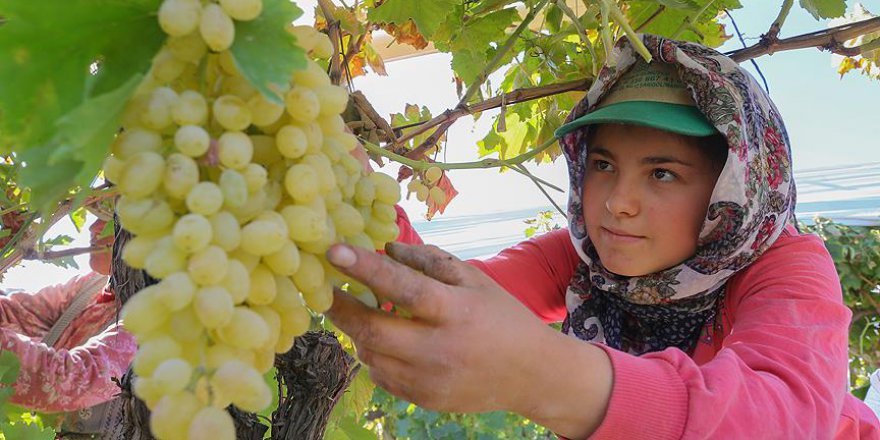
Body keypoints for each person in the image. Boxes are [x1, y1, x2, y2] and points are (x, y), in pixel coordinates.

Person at [323, 35, 880, 439]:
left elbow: (783, 417)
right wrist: (346, 194)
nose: (616, 202)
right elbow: (433, 299)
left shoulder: (787, 265)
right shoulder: (580, 256)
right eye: (604, 164)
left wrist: (540, 373)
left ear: (731, 190)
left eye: (663, 173)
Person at [0, 218, 136, 413]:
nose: (93, 227)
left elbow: (65, 382)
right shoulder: (93, 286)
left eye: (109, 219)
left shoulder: (154, 319)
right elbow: (16, 314)